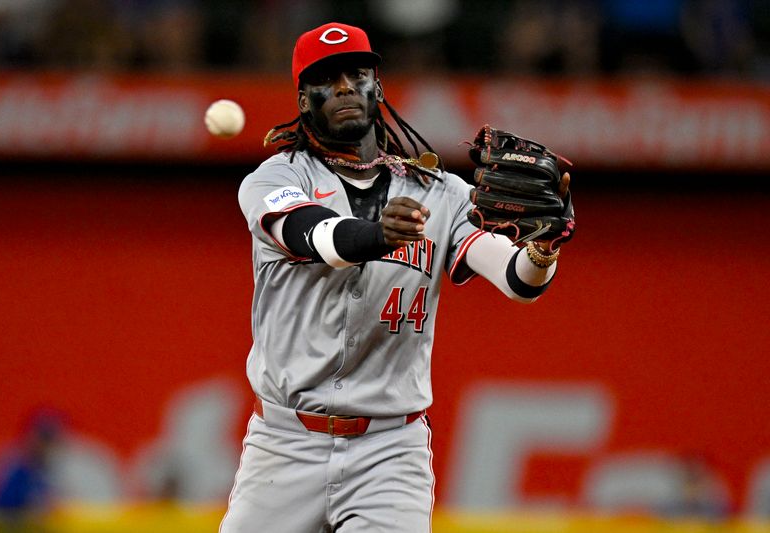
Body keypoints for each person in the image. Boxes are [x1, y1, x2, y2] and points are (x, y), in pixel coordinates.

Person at [220, 21, 572, 532]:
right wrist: (376, 235)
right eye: (326, 78)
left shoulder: (441, 192)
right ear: (302, 99)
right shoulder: (276, 177)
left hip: (389, 449)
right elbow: (313, 235)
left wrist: (543, 247)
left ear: (377, 87)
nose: (344, 87)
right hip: (285, 442)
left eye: (356, 73)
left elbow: (518, 281)